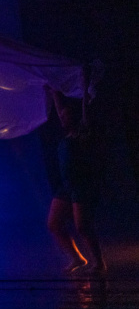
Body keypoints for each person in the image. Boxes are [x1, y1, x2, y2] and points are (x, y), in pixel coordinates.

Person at [45, 66, 106, 274]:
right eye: (60, 116)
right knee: (54, 223)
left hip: (81, 185)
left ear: (74, 118)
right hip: (66, 185)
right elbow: (59, 105)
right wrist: (54, 91)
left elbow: (85, 110)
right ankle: (77, 259)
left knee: (82, 226)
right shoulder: (65, 136)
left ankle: (98, 262)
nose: (62, 118)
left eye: (66, 115)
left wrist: (83, 83)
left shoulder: (82, 134)